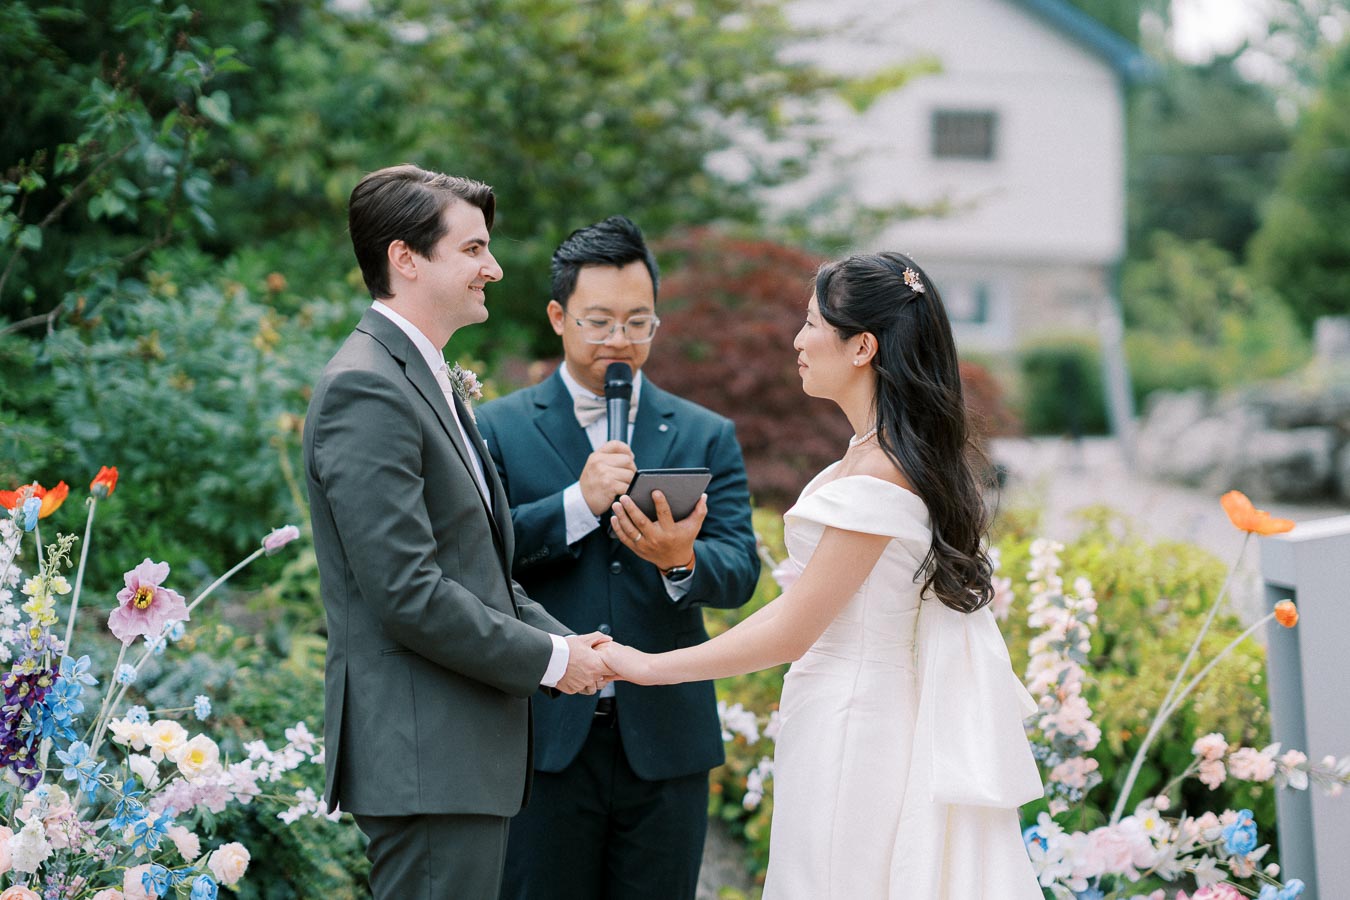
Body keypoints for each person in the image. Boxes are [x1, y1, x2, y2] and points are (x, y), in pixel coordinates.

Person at [601, 252, 1045, 898]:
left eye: (812, 324)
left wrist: (645, 666)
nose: (797, 341)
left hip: (855, 726)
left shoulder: (878, 471)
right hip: (848, 714)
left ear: (861, 346)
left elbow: (793, 627)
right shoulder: (875, 453)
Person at [302, 164, 613, 899]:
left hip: (451, 759)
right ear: (405, 259)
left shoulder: (419, 373)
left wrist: (568, 644)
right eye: (473, 250)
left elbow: (478, 568)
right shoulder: (367, 386)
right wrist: (546, 660)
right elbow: (407, 592)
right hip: (425, 758)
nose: (493, 268)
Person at [476, 215, 760, 900]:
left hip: (666, 742)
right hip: (542, 738)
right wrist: (578, 503)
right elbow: (478, 561)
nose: (620, 341)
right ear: (557, 316)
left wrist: (680, 560)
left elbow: (741, 568)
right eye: (599, 322)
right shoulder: (496, 427)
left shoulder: (703, 432)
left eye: (639, 323)